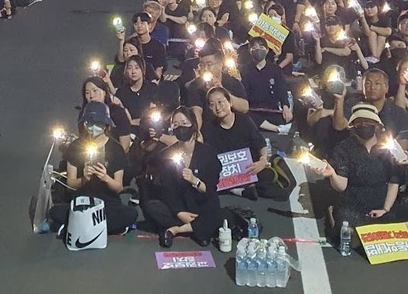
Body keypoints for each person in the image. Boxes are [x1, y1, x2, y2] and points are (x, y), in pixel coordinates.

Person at [318, 104, 408, 248]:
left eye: (368, 122)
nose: (364, 125)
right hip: (353, 202)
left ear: (377, 125)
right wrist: (332, 175)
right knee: (347, 230)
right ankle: (393, 237)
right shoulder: (343, 148)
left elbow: (393, 182)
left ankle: (368, 238)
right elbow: (341, 186)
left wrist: (385, 209)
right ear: (353, 126)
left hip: (380, 201)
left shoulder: (387, 148)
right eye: (359, 123)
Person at [47, 102, 137, 236]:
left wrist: (105, 178)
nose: (94, 126)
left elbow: (118, 187)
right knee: (55, 212)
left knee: (130, 214)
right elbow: (70, 183)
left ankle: (78, 226)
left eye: (98, 123)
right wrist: (84, 179)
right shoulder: (75, 146)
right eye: (90, 122)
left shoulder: (116, 148)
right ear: (84, 124)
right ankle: (101, 228)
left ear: (106, 125)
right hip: (83, 200)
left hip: (108, 202)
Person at [141, 106, 222, 247]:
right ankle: (199, 229)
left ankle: (175, 230)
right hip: (177, 206)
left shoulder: (208, 153)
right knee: (151, 207)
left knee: (217, 212)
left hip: (200, 204)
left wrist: (195, 181)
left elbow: (210, 190)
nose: (181, 128)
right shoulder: (167, 155)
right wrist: (179, 212)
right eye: (176, 125)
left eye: (184, 124)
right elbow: (168, 191)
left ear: (193, 126)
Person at [201, 87, 289, 201]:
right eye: (212, 104)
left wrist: (262, 161)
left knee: (268, 176)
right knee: (207, 183)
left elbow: (261, 145)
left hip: (248, 169)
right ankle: (239, 190)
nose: (217, 107)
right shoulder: (208, 128)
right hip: (226, 174)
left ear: (230, 102)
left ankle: (241, 188)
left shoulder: (244, 121)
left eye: (220, 102)